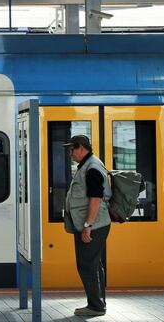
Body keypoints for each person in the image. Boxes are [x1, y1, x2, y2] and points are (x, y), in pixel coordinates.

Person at [63, 135, 112, 317]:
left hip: (94, 225)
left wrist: (87, 225)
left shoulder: (91, 168)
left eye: (72, 149)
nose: (70, 153)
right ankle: (98, 302)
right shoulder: (88, 165)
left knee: (86, 264)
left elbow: (95, 199)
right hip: (94, 224)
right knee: (93, 264)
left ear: (81, 148)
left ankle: (96, 306)